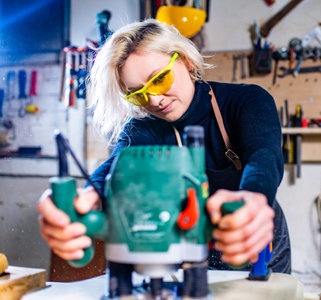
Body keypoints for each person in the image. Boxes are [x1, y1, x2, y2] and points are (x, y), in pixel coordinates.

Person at [38, 19, 291, 275]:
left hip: (255, 241)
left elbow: (263, 157)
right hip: (191, 246)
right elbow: (115, 168)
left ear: (185, 61)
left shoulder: (246, 101)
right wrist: (85, 201)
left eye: (159, 79)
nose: (155, 101)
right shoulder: (144, 128)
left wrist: (253, 201)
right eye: (138, 93)